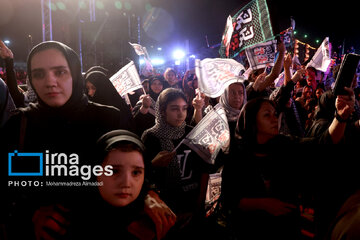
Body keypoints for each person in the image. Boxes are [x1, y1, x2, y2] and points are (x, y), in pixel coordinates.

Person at [0, 41, 138, 238]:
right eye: (39, 74)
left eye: (60, 72)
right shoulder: (19, 126)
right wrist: (28, 216)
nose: (50, 82)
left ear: (74, 73)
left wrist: (146, 195)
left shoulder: (108, 120)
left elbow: (130, 176)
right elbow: (12, 190)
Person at [221, 88, 355, 240]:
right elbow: (229, 200)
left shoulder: (284, 145)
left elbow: (322, 144)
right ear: (251, 121)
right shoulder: (237, 157)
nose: (274, 119)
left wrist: (340, 117)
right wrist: (264, 204)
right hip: (250, 230)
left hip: (286, 229)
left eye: (275, 114)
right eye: (267, 115)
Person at [66, 130, 176, 239]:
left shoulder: (155, 217)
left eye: (136, 172)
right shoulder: (66, 216)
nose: (126, 183)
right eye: (114, 171)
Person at [141, 88, 212, 238]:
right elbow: (141, 175)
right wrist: (153, 164)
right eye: (174, 109)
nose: (181, 114)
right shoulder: (151, 137)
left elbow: (203, 170)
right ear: (162, 110)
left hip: (192, 204)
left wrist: (198, 206)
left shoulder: (192, 133)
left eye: (184, 108)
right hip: (165, 208)